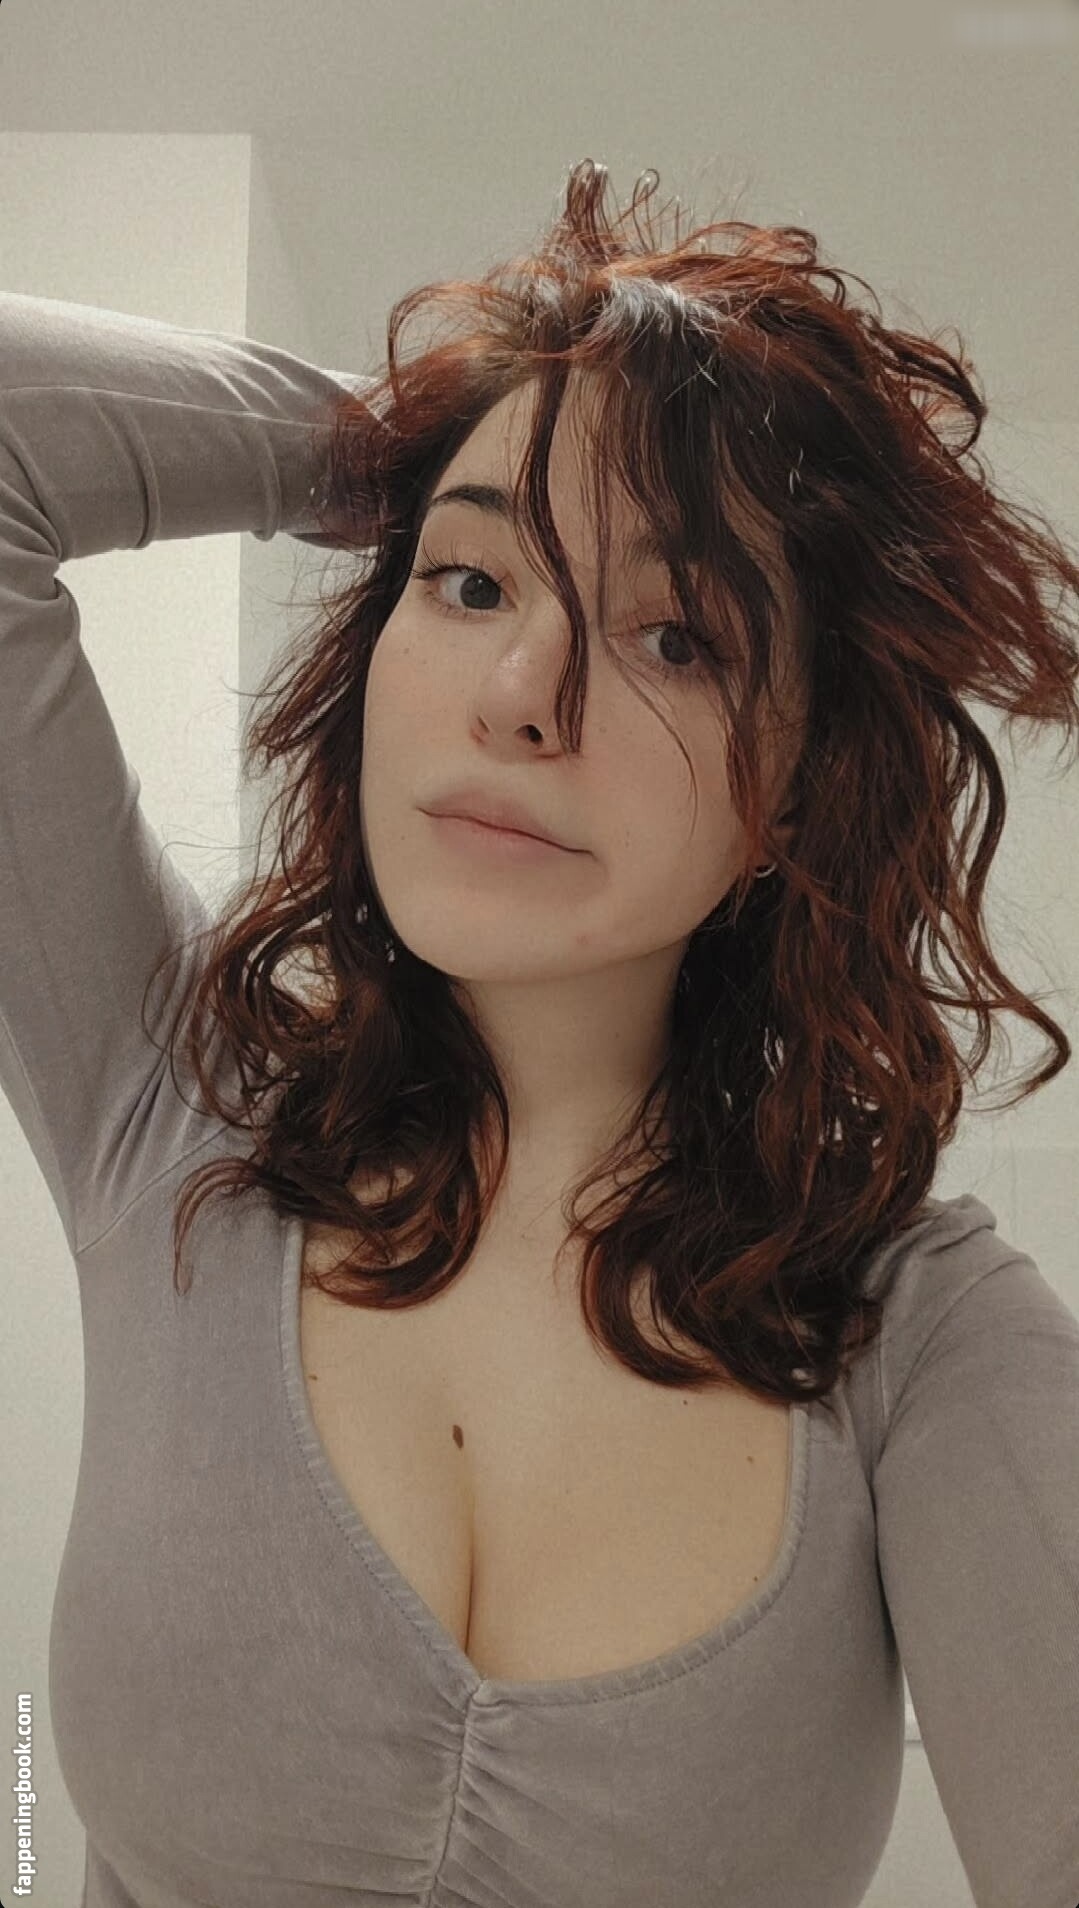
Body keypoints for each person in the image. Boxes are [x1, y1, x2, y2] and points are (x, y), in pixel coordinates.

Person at [2, 245, 1077, 1906]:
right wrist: (425, 430)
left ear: (796, 787)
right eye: (471, 585)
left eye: (675, 636)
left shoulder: (917, 1338)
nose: (520, 698)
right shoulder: (169, 1111)